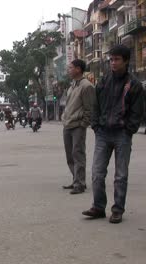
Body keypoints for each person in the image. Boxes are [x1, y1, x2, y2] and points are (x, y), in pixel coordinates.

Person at [82, 45, 145, 224]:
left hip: (122, 134)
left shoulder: (134, 85)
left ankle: (117, 209)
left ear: (125, 61)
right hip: (103, 133)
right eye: (111, 59)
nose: (113, 63)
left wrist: (128, 129)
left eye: (117, 59)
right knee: (97, 172)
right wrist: (95, 125)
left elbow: (137, 112)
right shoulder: (103, 81)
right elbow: (96, 105)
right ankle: (98, 207)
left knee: (121, 175)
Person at [61, 59, 96, 195]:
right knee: (70, 155)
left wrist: (83, 124)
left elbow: (90, 108)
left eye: (70, 68)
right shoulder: (72, 86)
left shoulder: (87, 86)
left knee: (78, 154)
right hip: (68, 124)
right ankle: (76, 179)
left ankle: (80, 183)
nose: (68, 70)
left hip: (77, 126)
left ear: (78, 69)